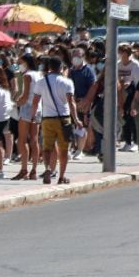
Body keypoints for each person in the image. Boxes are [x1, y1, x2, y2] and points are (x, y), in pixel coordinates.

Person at [31, 56, 81, 185]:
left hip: (47, 118)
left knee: (47, 148)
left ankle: (48, 169)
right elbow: (71, 102)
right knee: (63, 149)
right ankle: (61, 176)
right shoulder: (67, 82)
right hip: (64, 119)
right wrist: (76, 119)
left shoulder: (41, 82)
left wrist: (33, 116)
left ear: (49, 67)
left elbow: (35, 102)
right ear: (61, 68)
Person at [13, 53, 42, 181]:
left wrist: (15, 103)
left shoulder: (27, 76)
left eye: (21, 63)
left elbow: (24, 97)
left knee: (22, 140)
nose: (19, 65)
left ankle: (24, 168)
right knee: (34, 140)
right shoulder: (39, 75)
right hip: (38, 108)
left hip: (27, 108)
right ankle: (34, 170)